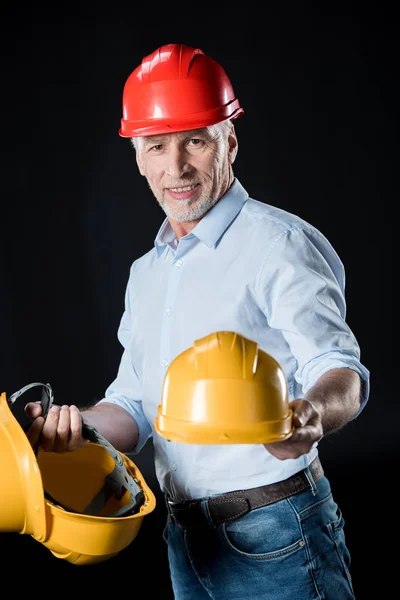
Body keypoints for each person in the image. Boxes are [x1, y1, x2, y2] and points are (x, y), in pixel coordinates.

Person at [26, 43, 370, 599]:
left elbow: (342, 372)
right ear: (137, 155)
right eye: (157, 146)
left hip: (278, 531)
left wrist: (310, 415)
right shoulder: (147, 273)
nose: (177, 167)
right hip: (187, 542)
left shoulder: (278, 244)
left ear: (229, 141)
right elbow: (137, 409)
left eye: (196, 141)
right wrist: (71, 429)